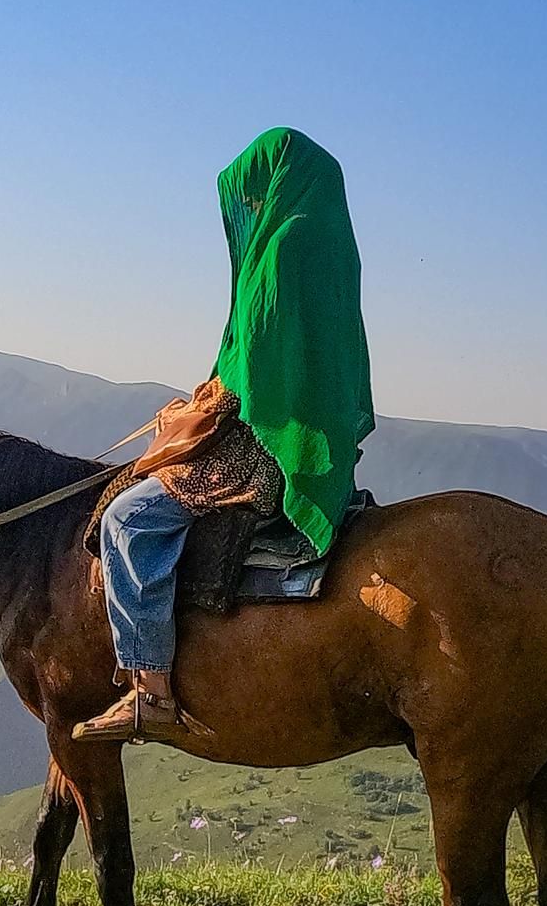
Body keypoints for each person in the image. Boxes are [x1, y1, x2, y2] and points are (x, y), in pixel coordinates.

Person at [73, 127, 375, 743]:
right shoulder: (328, 242)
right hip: (302, 437)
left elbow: (257, 373)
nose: (251, 214)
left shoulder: (284, 251)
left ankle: (150, 689)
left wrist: (203, 403)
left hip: (261, 450)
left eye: (254, 198)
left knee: (129, 517)